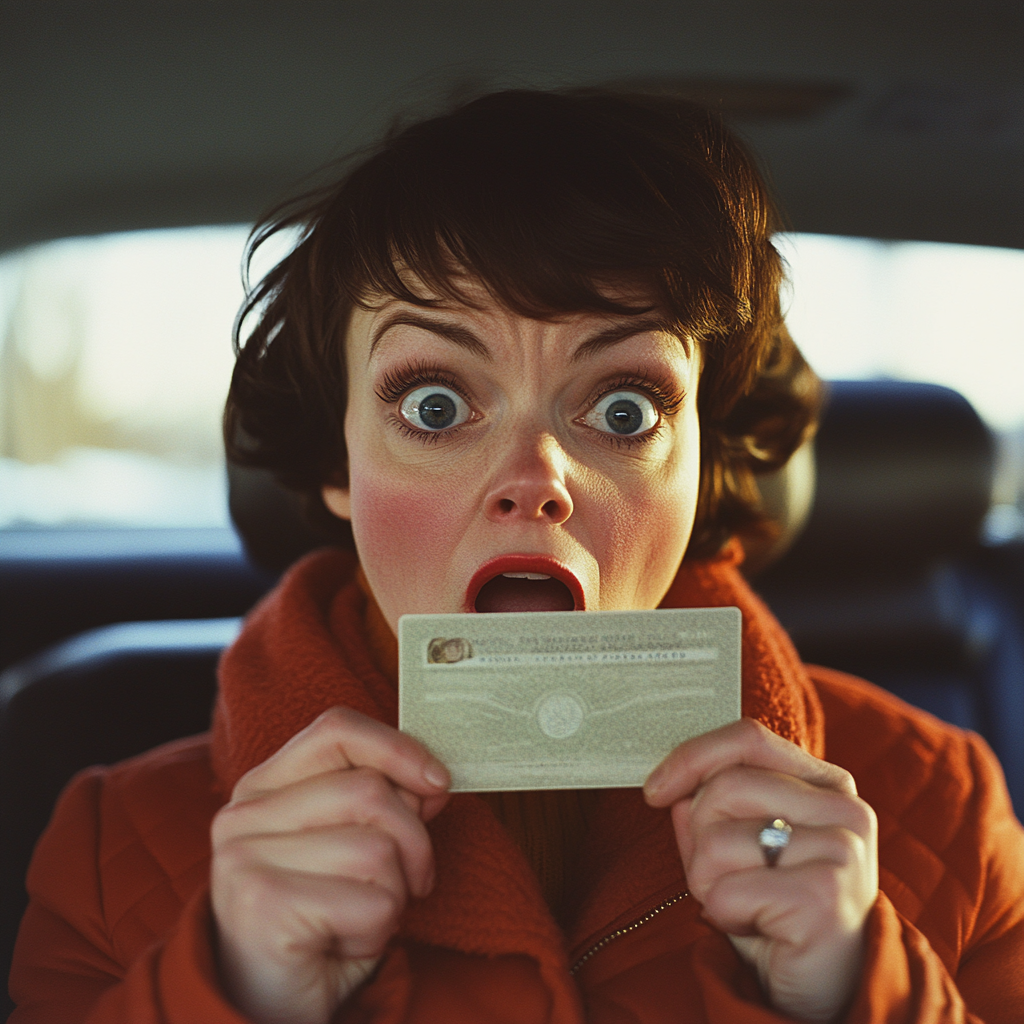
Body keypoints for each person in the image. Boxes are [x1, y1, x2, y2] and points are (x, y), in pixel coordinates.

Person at [8, 89, 1024, 1024]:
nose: (535, 475)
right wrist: (231, 990)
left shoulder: (939, 807)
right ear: (336, 459)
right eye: (436, 405)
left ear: (705, 465)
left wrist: (860, 989)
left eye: (624, 408)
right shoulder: (113, 847)